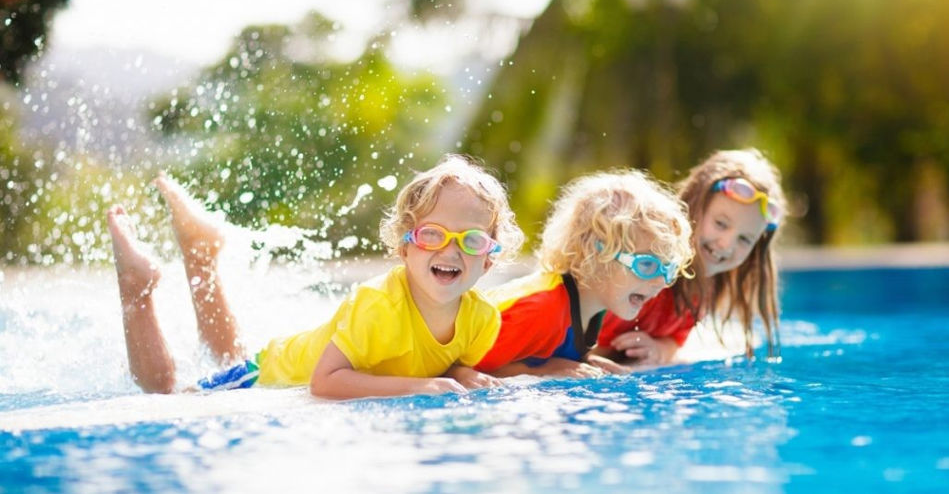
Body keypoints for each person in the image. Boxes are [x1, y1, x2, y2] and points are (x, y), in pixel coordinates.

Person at [107, 154, 524, 399]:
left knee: (226, 353)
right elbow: (324, 383)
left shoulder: (482, 320)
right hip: (272, 372)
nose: (450, 250)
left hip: (284, 362)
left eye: (470, 241)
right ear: (405, 246)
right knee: (168, 396)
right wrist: (418, 387)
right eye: (433, 235)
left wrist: (461, 374)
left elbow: (443, 365)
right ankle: (138, 289)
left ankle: (202, 255)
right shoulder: (379, 305)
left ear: (490, 258)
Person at [473, 169, 694, 378]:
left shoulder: (592, 308)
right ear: (596, 254)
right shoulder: (542, 309)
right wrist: (546, 370)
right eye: (647, 265)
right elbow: (466, 369)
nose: (661, 282)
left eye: (668, 270)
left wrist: (587, 361)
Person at [593, 148, 786, 365]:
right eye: (720, 224)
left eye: (744, 240)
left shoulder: (704, 289)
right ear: (692, 206)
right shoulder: (645, 264)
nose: (726, 244)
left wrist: (659, 349)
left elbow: (675, 339)